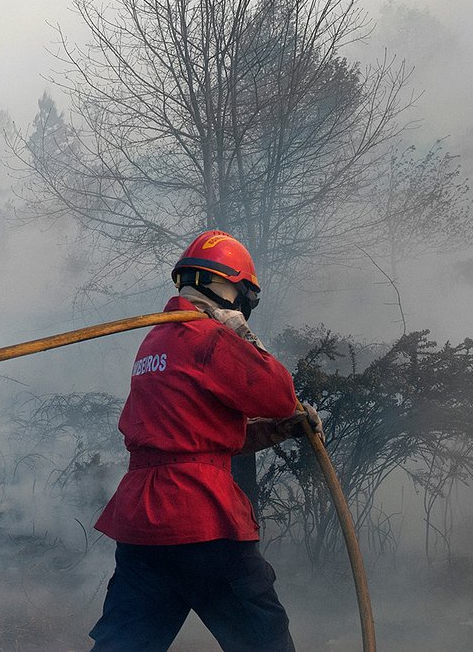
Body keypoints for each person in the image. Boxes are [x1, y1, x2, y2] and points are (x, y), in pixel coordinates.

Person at [88, 230, 321, 652]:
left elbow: (193, 441)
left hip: (144, 526)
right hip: (200, 519)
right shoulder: (208, 338)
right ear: (230, 288)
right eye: (245, 297)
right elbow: (279, 393)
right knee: (263, 641)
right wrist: (241, 336)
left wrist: (278, 429)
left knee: (124, 645)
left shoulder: (155, 341)